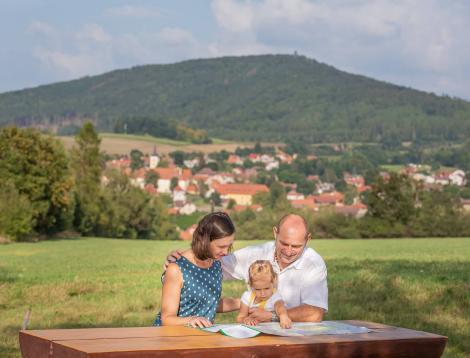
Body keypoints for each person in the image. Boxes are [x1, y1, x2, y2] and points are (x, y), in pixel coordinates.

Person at [165, 213, 328, 324]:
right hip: (257, 330)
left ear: (308, 239)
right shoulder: (255, 254)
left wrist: (273, 316)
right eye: (284, 243)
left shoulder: (313, 263)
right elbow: (208, 260)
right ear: (275, 233)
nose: (289, 250)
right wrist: (180, 260)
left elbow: (315, 313)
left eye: (296, 246)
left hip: (295, 334)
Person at [154, 211, 236, 328]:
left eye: (229, 246)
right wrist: (192, 319)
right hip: (171, 338)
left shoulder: (216, 264)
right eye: (221, 246)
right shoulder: (176, 269)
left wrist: (245, 302)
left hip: (199, 337)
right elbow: (167, 319)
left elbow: (209, 303)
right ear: (204, 240)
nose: (226, 252)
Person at [237, 260, 292, 329]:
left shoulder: (274, 296)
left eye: (266, 288)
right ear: (251, 286)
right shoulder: (247, 297)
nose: (263, 293)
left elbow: (280, 307)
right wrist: (245, 319)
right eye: (257, 289)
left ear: (273, 282)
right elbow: (240, 317)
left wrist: (283, 316)